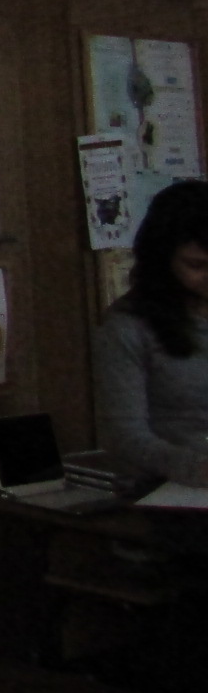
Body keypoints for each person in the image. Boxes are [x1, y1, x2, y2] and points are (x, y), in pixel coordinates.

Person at [95, 178, 208, 485]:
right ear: (163, 259)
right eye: (196, 266)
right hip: (171, 487)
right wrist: (193, 467)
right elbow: (127, 437)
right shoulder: (128, 326)